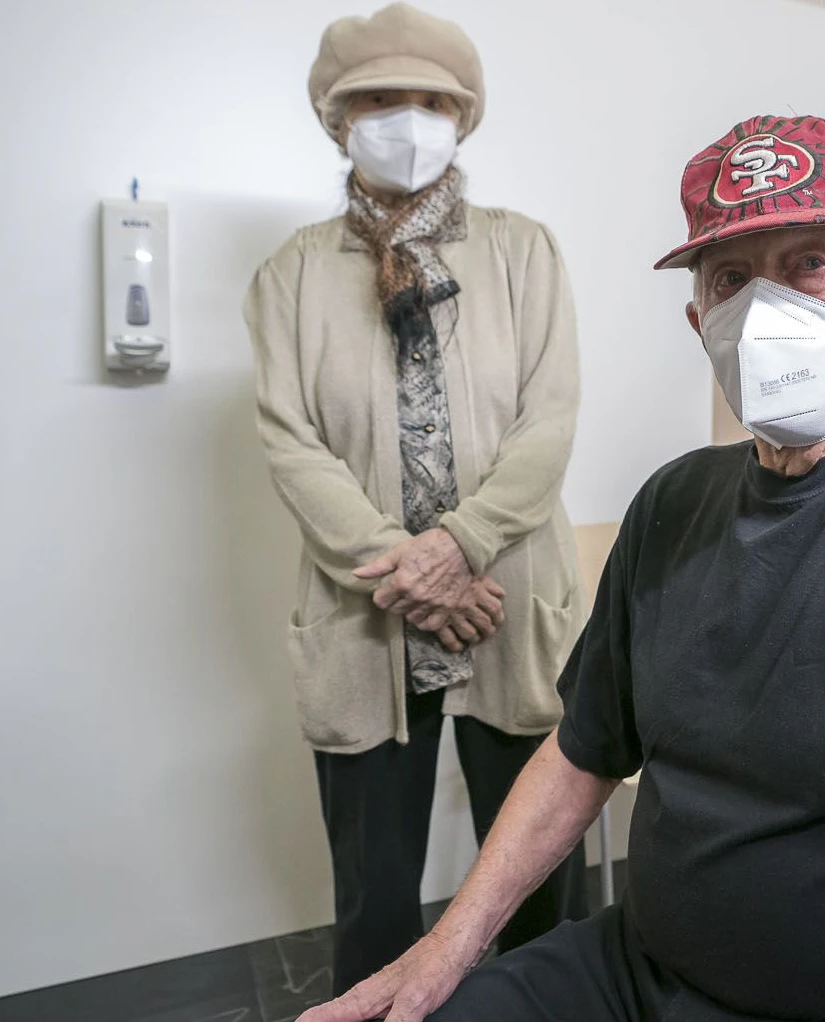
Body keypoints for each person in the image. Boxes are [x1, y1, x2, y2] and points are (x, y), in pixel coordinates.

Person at [302, 114, 825, 1022]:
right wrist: (441, 954)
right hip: (634, 970)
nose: (767, 311)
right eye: (732, 279)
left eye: (811, 261)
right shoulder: (670, 505)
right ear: (703, 324)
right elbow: (582, 756)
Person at [246, 2, 587, 996]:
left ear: (463, 115)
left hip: (510, 605)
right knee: (375, 894)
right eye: (379, 99)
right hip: (366, 619)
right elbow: (293, 446)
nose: (406, 118)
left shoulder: (527, 252)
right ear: (336, 119)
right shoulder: (292, 276)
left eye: (430, 99)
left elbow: (550, 422)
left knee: (532, 879)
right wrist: (417, 574)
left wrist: (463, 544)